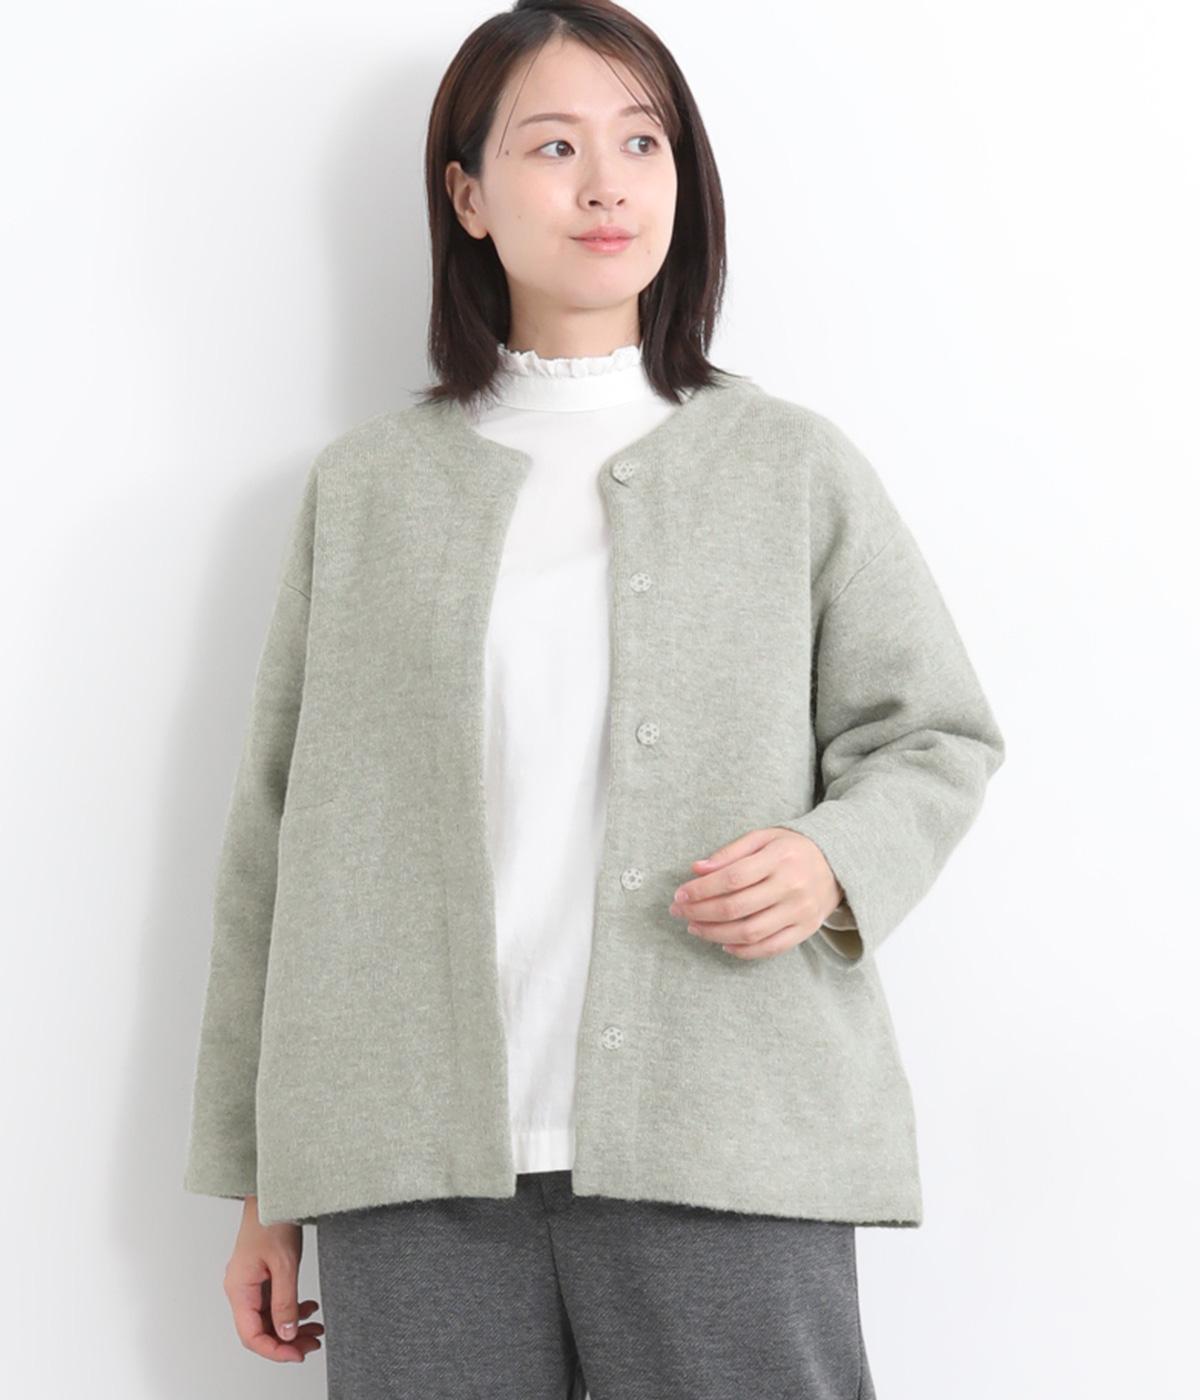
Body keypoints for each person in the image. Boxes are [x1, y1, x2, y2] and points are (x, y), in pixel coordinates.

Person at [183, 3, 1006, 1396]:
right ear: (469, 196)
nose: (607, 184)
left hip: (725, 1141)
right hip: (407, 1165)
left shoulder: (788, 466)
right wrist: (266, 1182)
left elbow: (934, 732)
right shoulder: (369, 490)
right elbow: (278, 839)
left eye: (642, 142)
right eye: (553, 146)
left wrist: (831, 861)